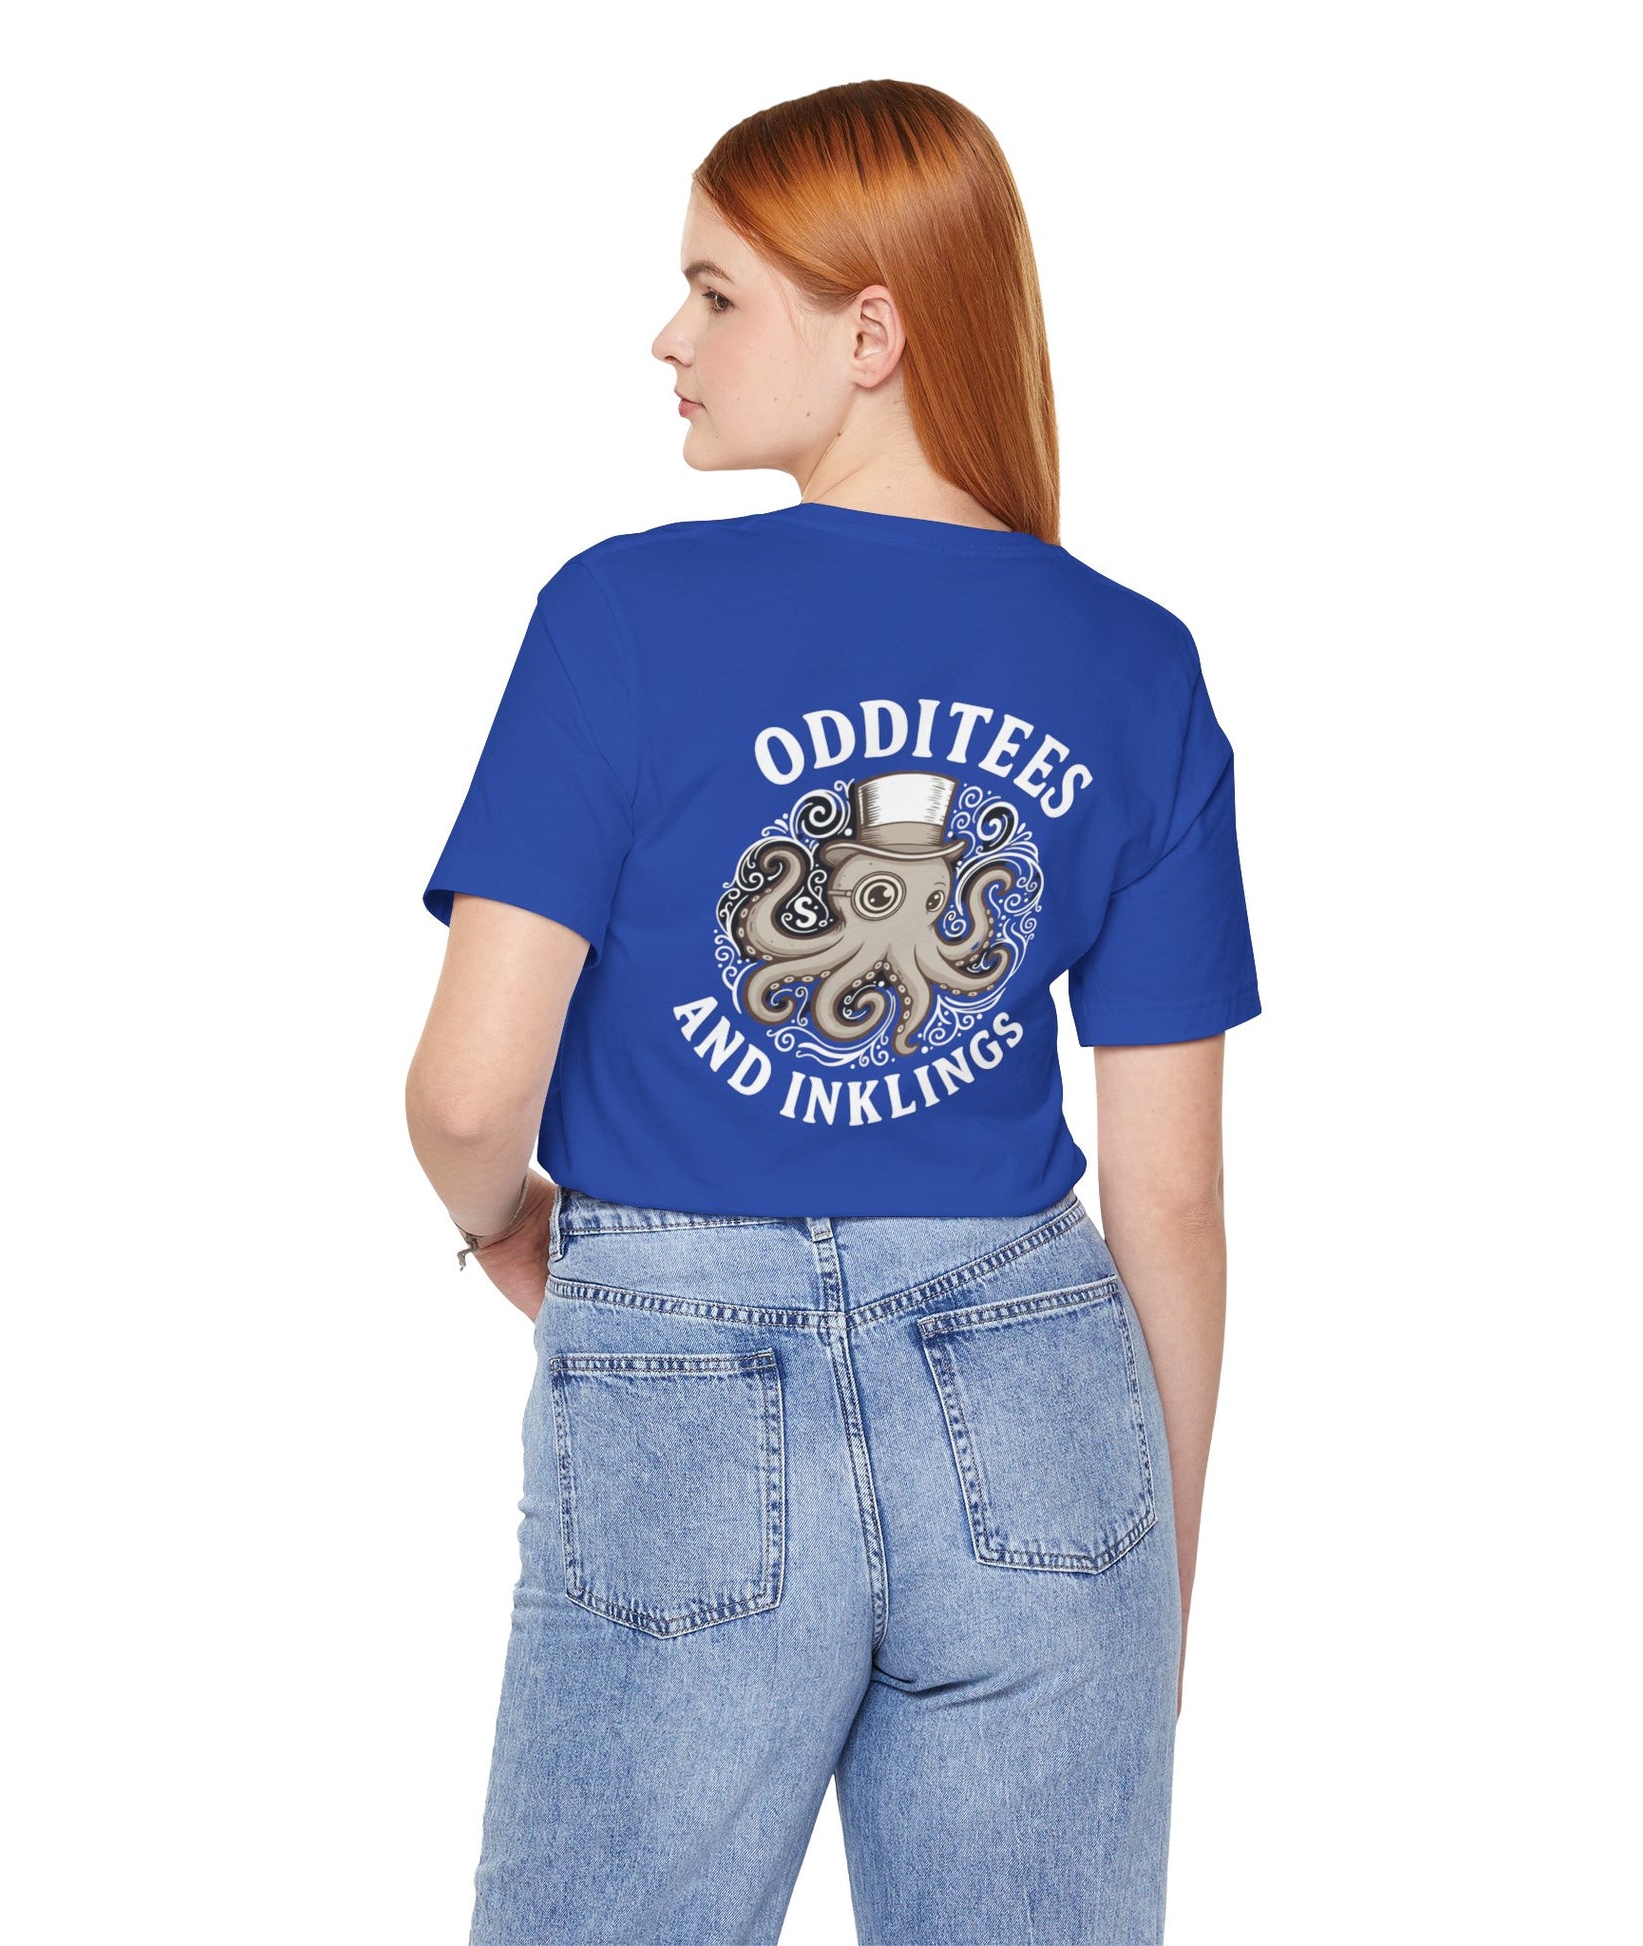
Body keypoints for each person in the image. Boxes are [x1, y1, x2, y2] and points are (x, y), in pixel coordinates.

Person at [405, 77, 1260, 1946]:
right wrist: (1151, 1578)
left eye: (716, 293)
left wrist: (510, 1232)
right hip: (1040, 1402)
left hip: (679, 1374)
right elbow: (1173, 1201)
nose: (669, 337)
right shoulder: (1135, 660)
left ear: (871, 332)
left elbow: (469, 1097)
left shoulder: (619, 615)